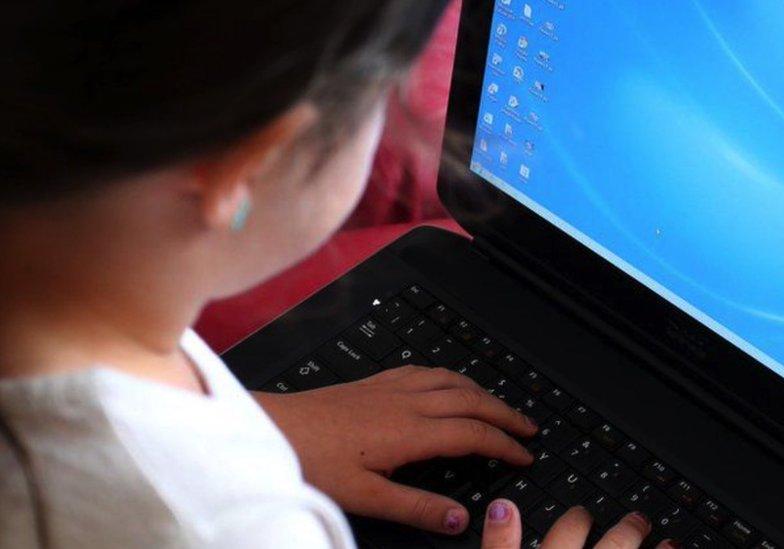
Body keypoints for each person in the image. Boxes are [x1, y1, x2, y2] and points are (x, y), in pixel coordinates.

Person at [0, 2, 677, 548]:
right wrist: (229, 467)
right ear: (244, 169)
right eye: (385, 93)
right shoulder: (230, 524)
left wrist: (265, 427)